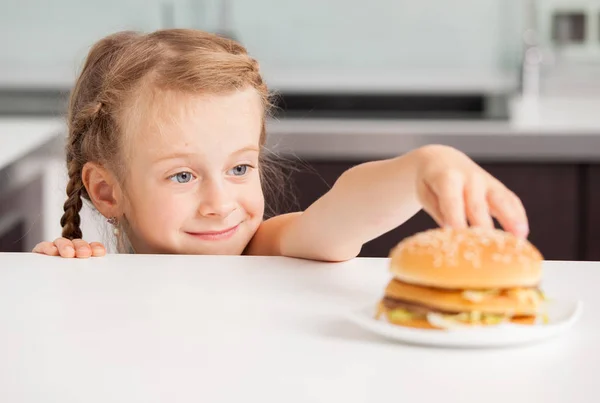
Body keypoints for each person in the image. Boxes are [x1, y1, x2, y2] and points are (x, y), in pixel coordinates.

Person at [32, 29, 529, 260]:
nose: (221, 205)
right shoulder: (96, 272)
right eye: (182, 176)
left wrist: (424, 166)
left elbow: (340, 214)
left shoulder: (261, 249)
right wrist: (59, 276)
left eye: (240, 169)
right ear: (107, 192)